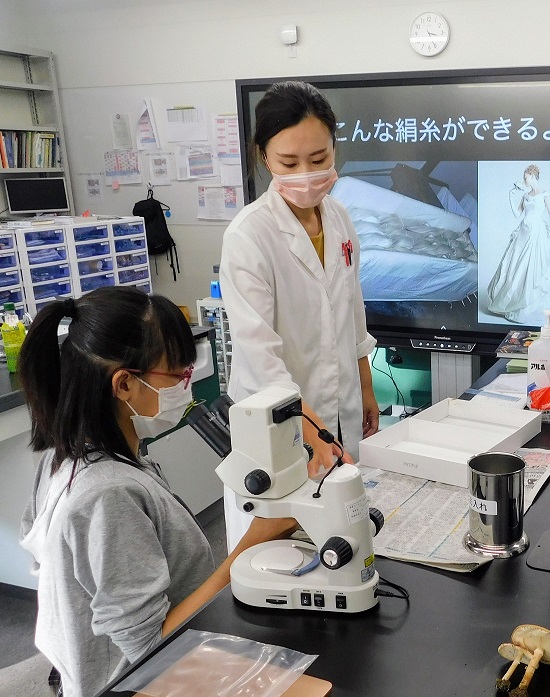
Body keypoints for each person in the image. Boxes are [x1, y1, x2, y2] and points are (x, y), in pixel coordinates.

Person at [18, 287, 297, 697]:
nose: (187, 383)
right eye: (178, 373)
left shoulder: (68, 458)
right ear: (124, 385)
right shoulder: (109, 494)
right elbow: (149, 650)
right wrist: (247, 550)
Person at [220, 81, 379, 549]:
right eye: (290, 163)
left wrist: (365, 385)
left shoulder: (339, 218)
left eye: (319, 159)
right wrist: (313, 432)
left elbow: (352, 309)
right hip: (278, 424)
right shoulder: (249, 236)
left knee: (345, 540)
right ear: (263, 157)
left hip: (340, 407)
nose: (307, 175)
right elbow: (261, 356)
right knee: (282, 552)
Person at [486, 164, 550, 325]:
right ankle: (513, 299)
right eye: (524, 177)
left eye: (526, 177)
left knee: (535, 266)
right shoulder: (526, 196)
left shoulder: (545, 194)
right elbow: (517, 214)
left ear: (532, 176)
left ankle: (531, 304)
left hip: (537, 233)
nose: (524, 180)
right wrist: (511, 196)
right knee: (515, 266)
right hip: (523, 232)